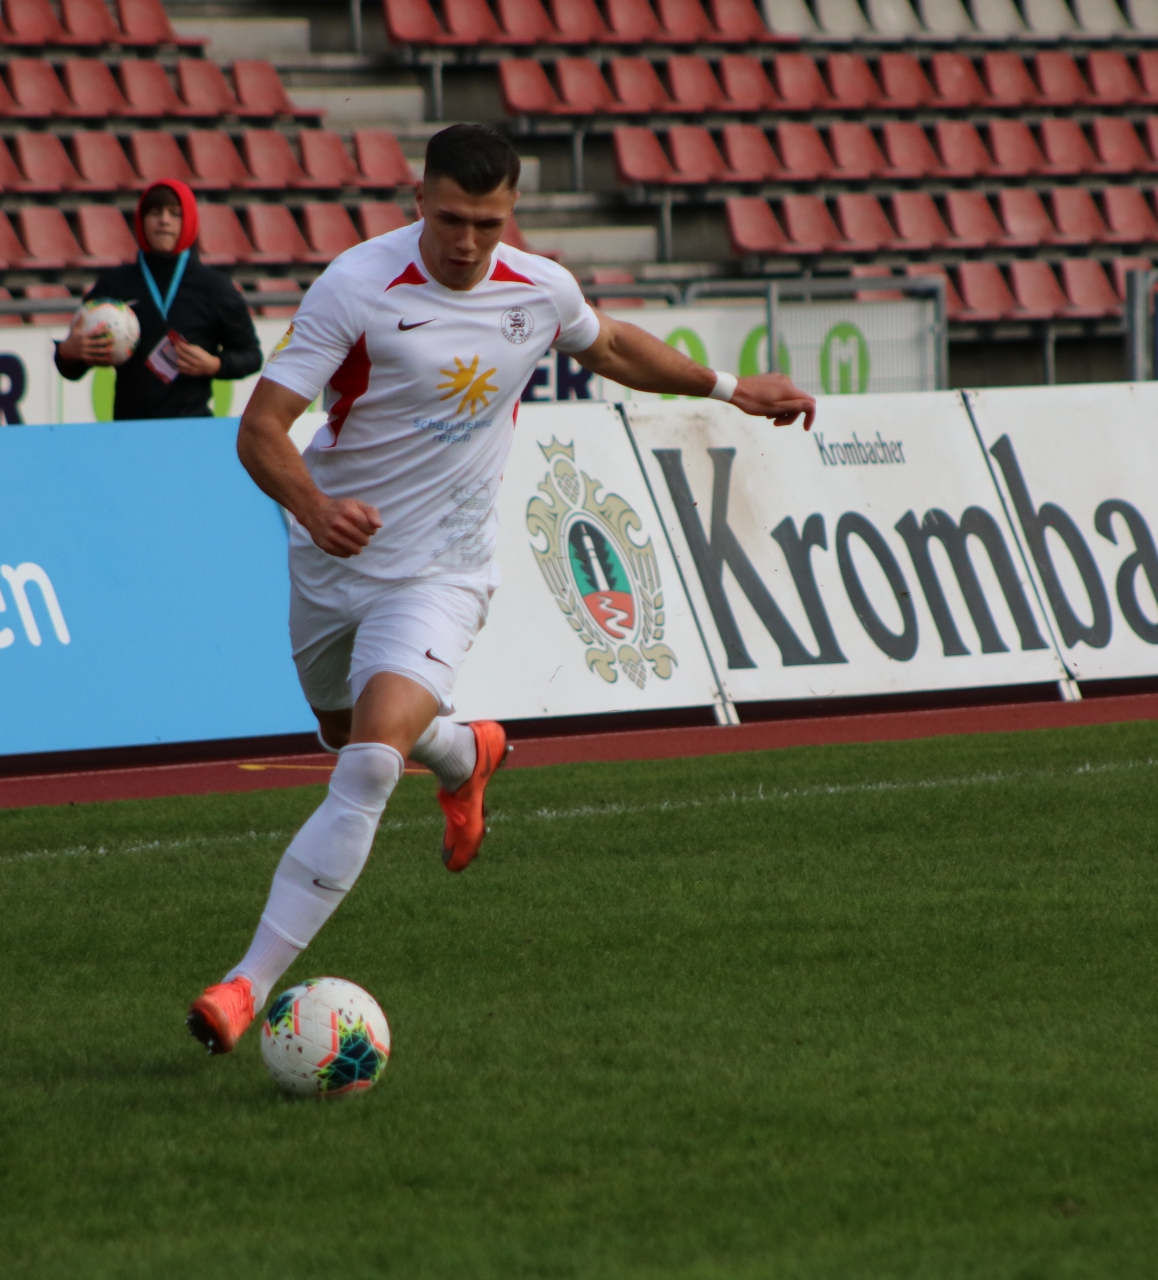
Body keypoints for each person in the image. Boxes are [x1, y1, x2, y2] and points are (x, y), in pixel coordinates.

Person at [186, 124, 815, 1054]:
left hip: (443, 569)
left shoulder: (539, 288)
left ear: (511, 212)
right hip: (332, 554)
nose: (468, 242)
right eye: (450, 219)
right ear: (419, 203)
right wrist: (314, 507)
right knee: (341, 727)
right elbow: (261, 428)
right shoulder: (355, 286)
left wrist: (729, 387)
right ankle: (465, 752)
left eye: (488, 223)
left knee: (368, 760)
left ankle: (245, 985)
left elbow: (612, 347)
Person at [54, 179, 262, 419]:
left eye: (175, 214)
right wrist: (67, 353)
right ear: (141, 221)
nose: (164, 220)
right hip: (130, 430)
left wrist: (215, 365)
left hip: (192, 428)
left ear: (190, 222)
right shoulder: (115, 285)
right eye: (155, 212)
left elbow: (252, 356)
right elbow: (72, 370)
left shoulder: (215, 287)